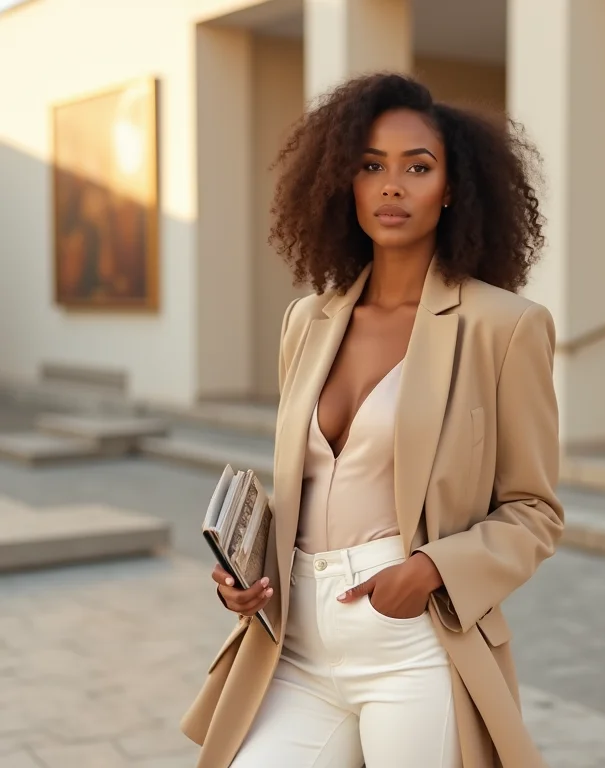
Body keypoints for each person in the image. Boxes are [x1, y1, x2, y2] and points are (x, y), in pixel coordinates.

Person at [182, 72, 564, 768]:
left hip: (413, 643)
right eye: (370, 166)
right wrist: (249, 571)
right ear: (344, 184)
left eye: (417, 167)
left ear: (451, 188)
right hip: (293, 642)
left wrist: (431, 569)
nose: (392, 186)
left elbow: (534, 509)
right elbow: (314, 486)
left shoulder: (504, 328)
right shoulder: (308, 320)